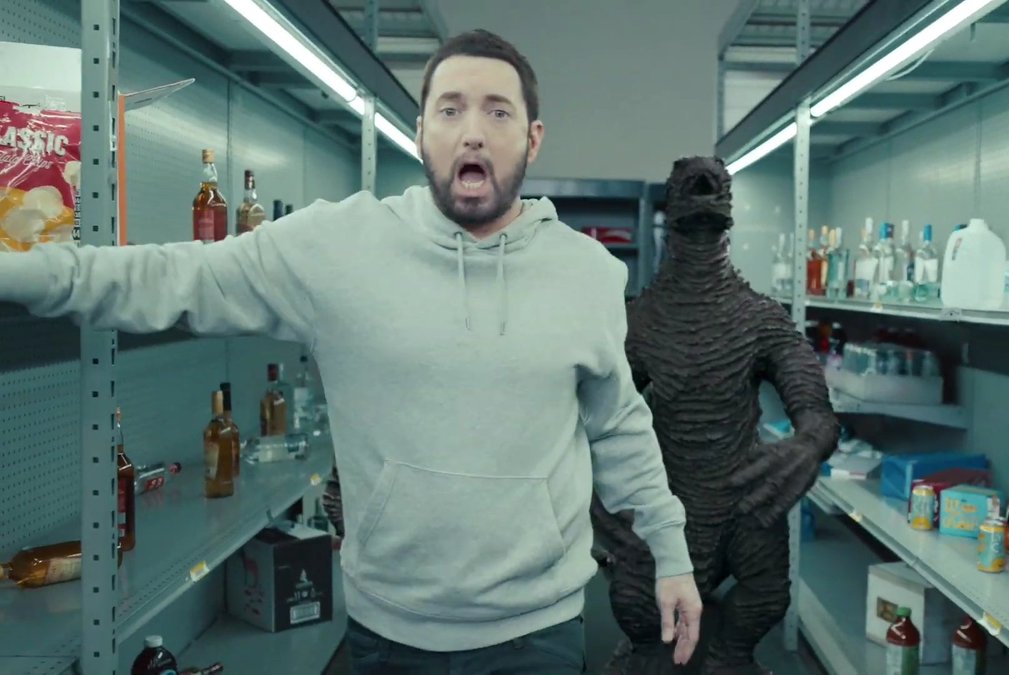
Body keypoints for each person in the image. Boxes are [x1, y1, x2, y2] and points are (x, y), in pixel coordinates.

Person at [0, 28, 702, 675]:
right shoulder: (336, 249)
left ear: (533, 137)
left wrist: (671, 552)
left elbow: (619, 427)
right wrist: (15, 271)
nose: (473, 132)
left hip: (538, 633)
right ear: (420, 131)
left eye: (498, 111)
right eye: (450, 109)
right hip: (387, 634)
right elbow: (170, 277)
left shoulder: (587, 274)